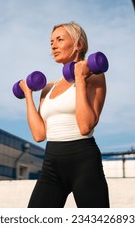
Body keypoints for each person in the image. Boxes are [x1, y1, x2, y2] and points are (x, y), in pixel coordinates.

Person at [19, 21, 109, 208]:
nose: (53, 45)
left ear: (79, 45)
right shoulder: (48, 88)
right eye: (51, 41)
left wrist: (80, 79)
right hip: (51, 163)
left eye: (60, 39)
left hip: (83, 161)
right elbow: (39, 135)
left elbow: (85, 126)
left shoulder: (94, 76)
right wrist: (28, 94)